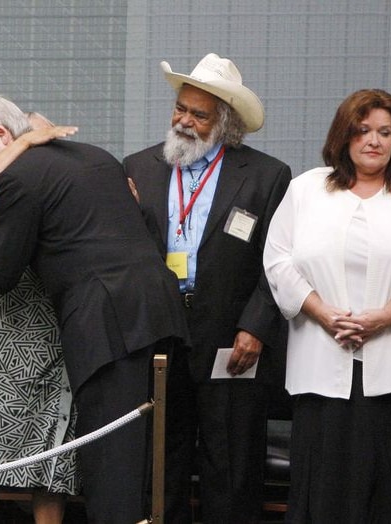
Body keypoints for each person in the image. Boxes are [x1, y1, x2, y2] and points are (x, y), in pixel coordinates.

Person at [0, 95, 188, 523]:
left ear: (2, 135)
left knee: (111, 465)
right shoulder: (98, 157)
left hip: (107, 323)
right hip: (161, 309)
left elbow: (1, 272)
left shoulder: (20, 177)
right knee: (152, 459)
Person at [123, 53, 291, 523]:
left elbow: (277, 262)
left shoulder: (266, 176)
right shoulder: (137, 167)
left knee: (231, 465)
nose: (184, 121)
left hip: (231, 339)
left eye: (199, 114)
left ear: (226, 122)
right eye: (181, 108)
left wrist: (256, 327)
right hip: (159, 335)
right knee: (161, 463)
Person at [264, 88, 391, 522]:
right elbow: (277, 260)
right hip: (318, 367)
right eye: (362, 130)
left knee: (386, 486)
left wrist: (385, 317)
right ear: (344, 136)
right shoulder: (306, 189)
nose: (374, 141)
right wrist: (324, 313)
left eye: (385, 132)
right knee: (320, 486)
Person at [0, 112, 81, 524]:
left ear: (0, 133)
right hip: (0, 330)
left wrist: (30, 144)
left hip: (49, 327)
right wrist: (26, 142)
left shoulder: (42, 169)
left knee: (51, 461)